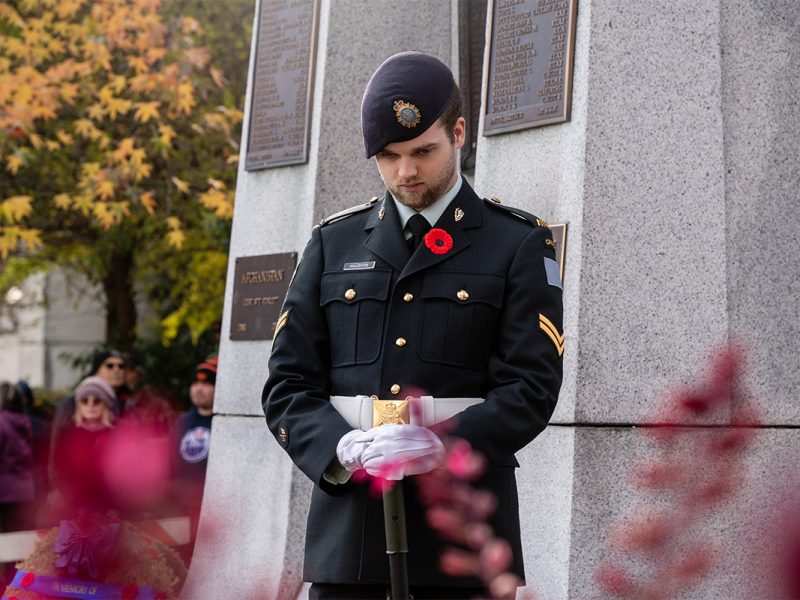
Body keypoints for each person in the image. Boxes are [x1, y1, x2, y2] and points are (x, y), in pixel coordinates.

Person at [262, 51, 564, 599]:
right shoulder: (333, 243)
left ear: (460, 134)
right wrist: (342, 448)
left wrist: (444, 445)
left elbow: (531, 388)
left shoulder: (516, 242)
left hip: (465, 540)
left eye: (424, 151)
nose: (406, 172)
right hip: (348, 539)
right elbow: (287, 387)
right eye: (389, 156)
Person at [51, 376, 117, 515]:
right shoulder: (67, 434)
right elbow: (59, 470)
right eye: (84, 400)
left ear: (105, 404)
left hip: (111, 508)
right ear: (78, 405)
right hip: (73, 508)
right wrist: (72, 499)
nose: (90, 405)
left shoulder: (117, 434)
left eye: (97, 400)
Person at [171, 358, 216, 552]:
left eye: (206, 384)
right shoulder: (182, 422)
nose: (199, 389)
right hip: (181, 506)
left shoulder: (223, 424)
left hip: (211, 508)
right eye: (195, 383)